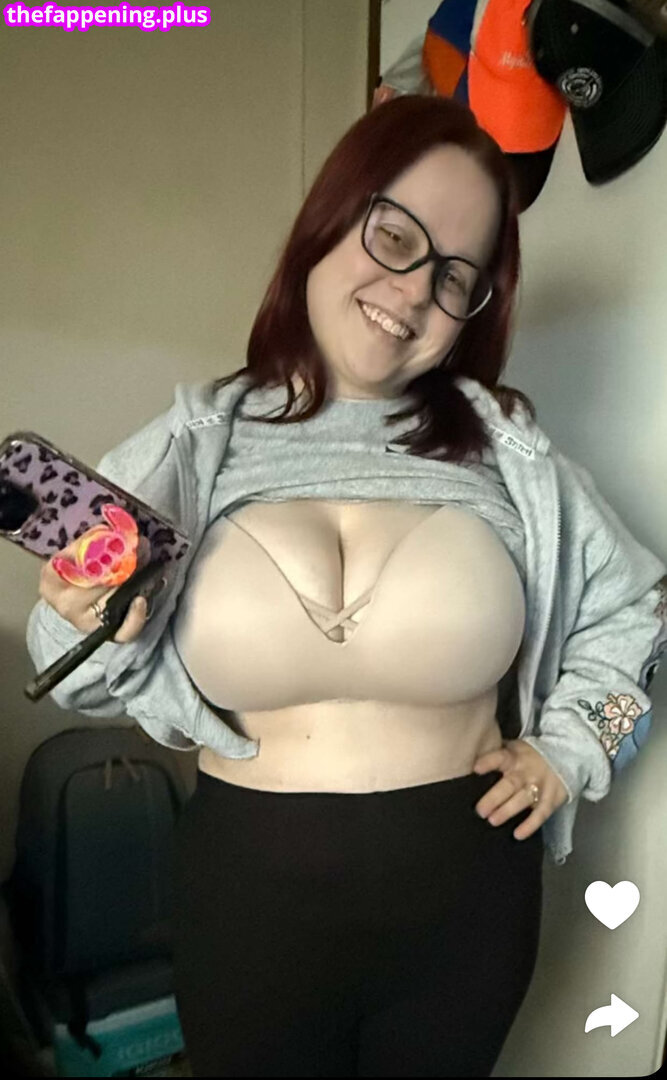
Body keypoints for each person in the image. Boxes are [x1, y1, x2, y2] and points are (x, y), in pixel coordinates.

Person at [27, 95, 667, 1078]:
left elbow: (644, 616)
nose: (412, 292)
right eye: (395, 236)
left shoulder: (513, 460)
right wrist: (75, 617)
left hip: (467, 906)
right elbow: (71, 676)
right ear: (326, 222)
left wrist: (578, 748)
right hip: (245, 903)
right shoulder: (190, 448)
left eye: (455, 277)